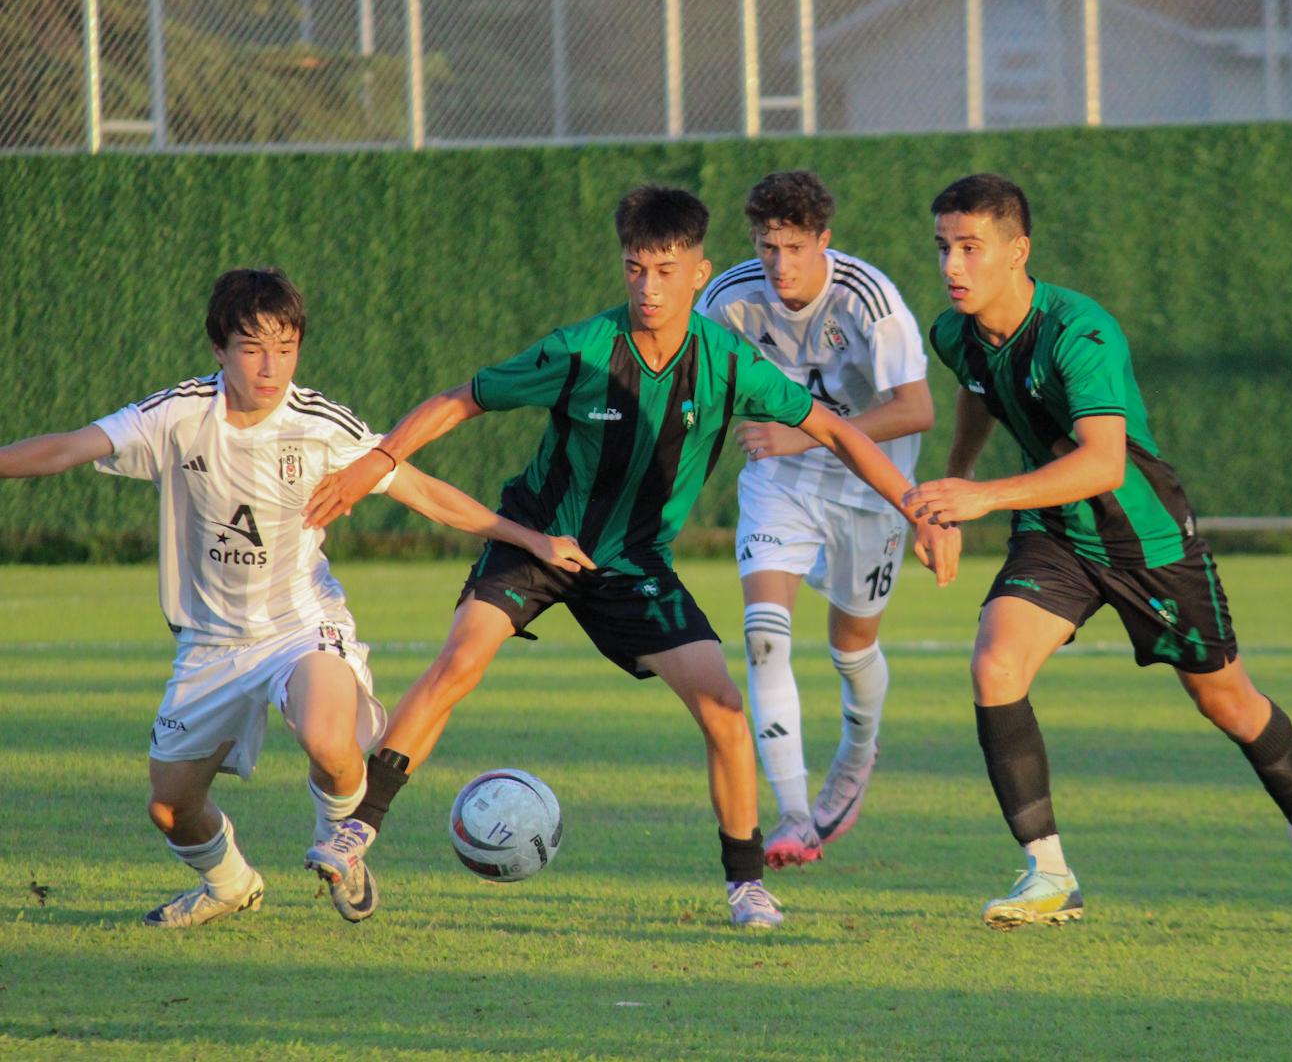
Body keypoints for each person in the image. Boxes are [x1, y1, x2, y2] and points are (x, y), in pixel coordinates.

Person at [302, 186, 958, 928]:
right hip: (540, 536)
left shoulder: (728, 362)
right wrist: (378, 459)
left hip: (636, 563)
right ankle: (356, 832)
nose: (649, 287)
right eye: (635, 269)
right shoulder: (580, 350)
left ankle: (746, 886)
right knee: (460, 661)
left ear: (700, 272)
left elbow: (837, 431)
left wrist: (917, 505)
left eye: (666, 271)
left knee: (724, 707)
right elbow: (464, 398)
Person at [0, 267, 589, 928]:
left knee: (330, 739)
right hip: (211, 645)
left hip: (300, 626)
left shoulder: (319, 426)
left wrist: (531, 540)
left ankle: (344, 846)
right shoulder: (177, 416)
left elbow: (421, 490)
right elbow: (70, 447)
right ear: (219, 351)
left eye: (285, 347)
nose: (270, 365)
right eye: (252, 347)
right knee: (170, 807)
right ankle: (229, 883)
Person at [904, 173, 1292, 932]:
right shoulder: (954, 332)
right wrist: (957, 482)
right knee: (994, 664)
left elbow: (1104, 463)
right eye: (944, 246)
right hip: (1054, 534)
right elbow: (976, 389)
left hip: (1144, 540)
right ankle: (1049, 873)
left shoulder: (1081, 331)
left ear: (1019, 252)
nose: (952, 265)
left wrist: (981, 499)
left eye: (971, 248)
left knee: (1227, 702)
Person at [695, 170, 933, 869]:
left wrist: (805, 431)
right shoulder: (729, 299)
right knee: (764, 638)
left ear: (824, 241)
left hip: (870, 491)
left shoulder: (869, 300)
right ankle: (795, 814)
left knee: (851, 648)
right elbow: (697, 387)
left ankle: (858, 754)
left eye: (795, 248)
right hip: (781, 483)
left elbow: (917, 408)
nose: (780, 265)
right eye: (768, 247)